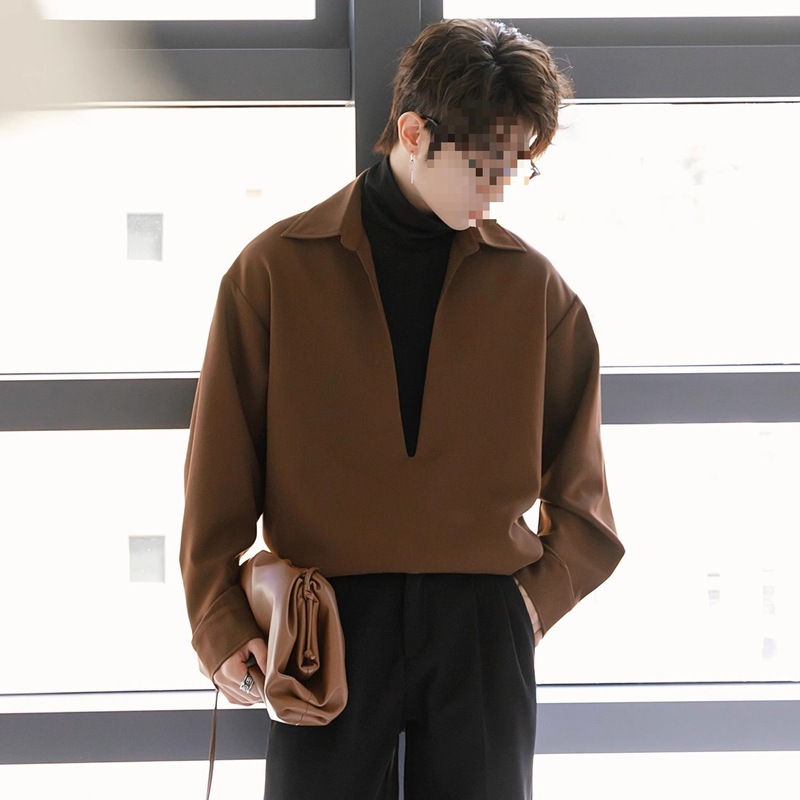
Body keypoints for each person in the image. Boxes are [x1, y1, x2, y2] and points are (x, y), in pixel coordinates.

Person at [180, 17, 625, 800]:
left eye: (515, 169)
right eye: (485, 167)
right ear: (414, 133)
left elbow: (585, 506)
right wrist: (219, 621)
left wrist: (525, 608)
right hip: (327, 623)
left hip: (481, 626)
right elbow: (217, 472)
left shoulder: (536, 292)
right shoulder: (274, 272)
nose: (498, 191)